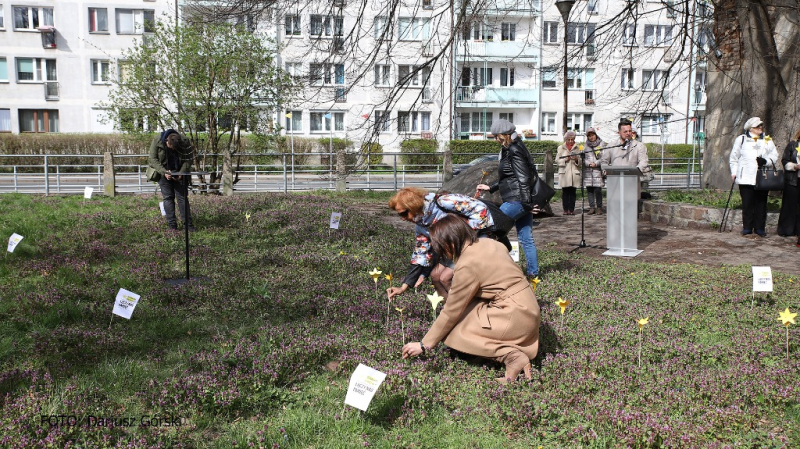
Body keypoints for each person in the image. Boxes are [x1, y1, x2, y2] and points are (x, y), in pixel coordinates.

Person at [400, 214, 541, 382]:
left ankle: (510, 355)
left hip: (513, 317)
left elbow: (451, 311)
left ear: (449, 243)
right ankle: (505, 360)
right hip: (528, 309)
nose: (442, 253)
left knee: (453, 332)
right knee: (467, 311)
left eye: (440, 248)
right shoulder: (491, 243)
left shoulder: (467, 264)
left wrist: (424, 345)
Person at [386, 187, 498, 301]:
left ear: (413, 206)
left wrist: (462, 232)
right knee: (435, 276)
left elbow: (480, 209)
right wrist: (404, 287)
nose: (403, 219)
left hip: (477, 239)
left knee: (445, 278)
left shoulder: (444, 202)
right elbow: (420, 255)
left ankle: (465, 309)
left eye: (404, 214)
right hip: (455, 249)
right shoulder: (421, 226)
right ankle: (450, 310)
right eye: (400, 215)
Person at [476, 119, 539, 281]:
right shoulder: (512, 148)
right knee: (526, 238)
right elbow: (509, 176)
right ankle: (533, 274)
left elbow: (524, 178)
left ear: (505, 135)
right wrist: (491, 188)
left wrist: (526, 204)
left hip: (516, 200)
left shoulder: (514, 150)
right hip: (519, 198)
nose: (496, 140)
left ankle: (495, 272)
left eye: (498, 137)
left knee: (489, 228)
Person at [729, 117, 779, 238]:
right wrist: (734, 172)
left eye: (761, 126)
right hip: (745, 176)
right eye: (758, 126)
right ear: (751, 128)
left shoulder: (767, 139)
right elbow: (734, 157)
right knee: (747, 203)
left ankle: (759, 228)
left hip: (762, 177)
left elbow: (775, 155)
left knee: (761, 203)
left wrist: (766, 161)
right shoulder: (741, 139)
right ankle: (747, 227)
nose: (760, 128)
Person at [148, 129, 195, 231]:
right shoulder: (157, 140)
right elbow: (152, 159)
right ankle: (172, 226)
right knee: (168, 198)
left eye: (175, 148)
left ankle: (188, 226)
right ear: (166, 141)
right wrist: (164, 172)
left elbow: (189, 159)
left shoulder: (185, 141)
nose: (173, 150)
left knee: (182, 198)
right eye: (171, 147)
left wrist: (181, 172)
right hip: (163, 173)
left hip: (179, 173)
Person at [600, 118, 651, 196]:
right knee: (616, 206)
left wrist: (635, 171)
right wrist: (606, 171)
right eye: (625, 131)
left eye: (630, 131)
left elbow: (643, 161)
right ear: (619, 132)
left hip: (632, 182)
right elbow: (604, 161)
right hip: (615, 183)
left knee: (631, 207)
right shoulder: (611, 145)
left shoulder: (639, 146)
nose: (628, 133)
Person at [777, 126, 800, 242]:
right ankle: (786, 230)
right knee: (789, 205)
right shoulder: (793, 145)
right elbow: (785, 161)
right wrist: (795, 166)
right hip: (793, 179)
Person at [557, 131, 582, 215]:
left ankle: (571, 210)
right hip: (564, 173)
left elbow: (581, 161)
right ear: (566, 139)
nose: (571, 141)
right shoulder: (560, 148)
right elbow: (557, 160)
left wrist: (576, 159)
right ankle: (565, 209)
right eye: (569, 139)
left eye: (572, 139)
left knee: (572, 192)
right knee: (565, 192)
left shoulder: (578, 147)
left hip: (574, 173)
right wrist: (565, 160)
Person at [583, 128, 606, 214]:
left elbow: (604, 158)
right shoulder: (585, 146)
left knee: (598, 190)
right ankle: (592, 207)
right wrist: (588, 164)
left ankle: (599, 207)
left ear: (596, 135)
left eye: (593, 135)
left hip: (597, 171)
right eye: (589, 136)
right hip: (588, 171)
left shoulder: (602, 144)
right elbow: (583, 158)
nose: (591, 137)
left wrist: (596, 163)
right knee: (589, 190)